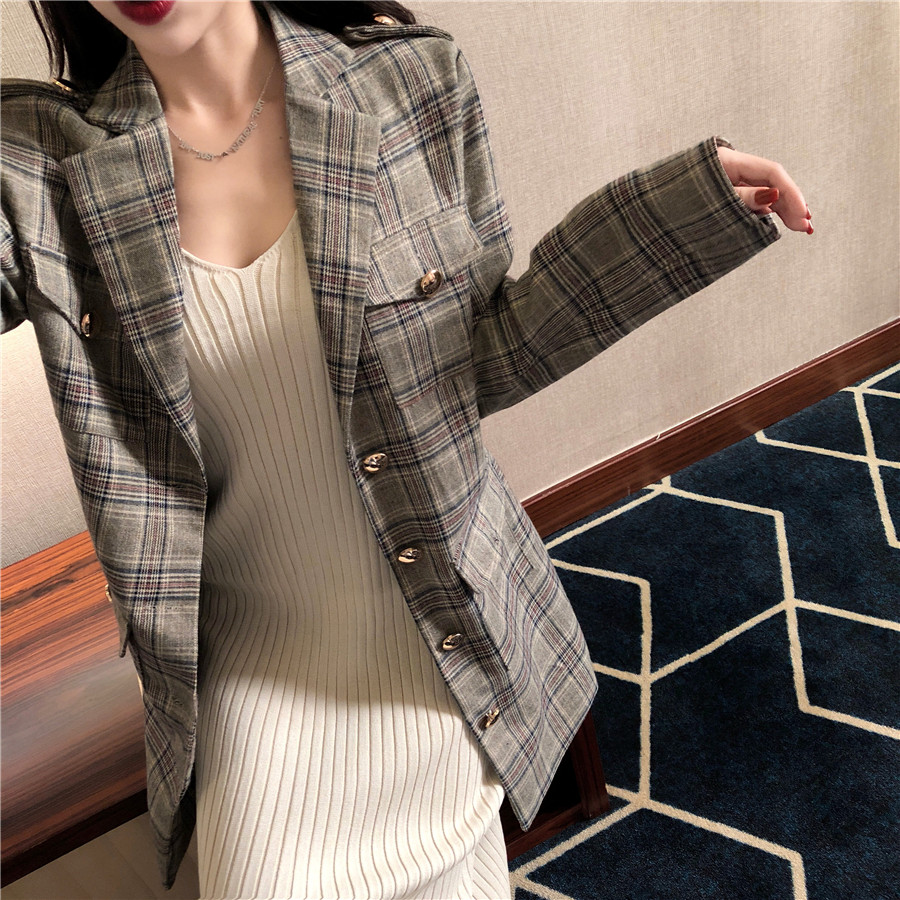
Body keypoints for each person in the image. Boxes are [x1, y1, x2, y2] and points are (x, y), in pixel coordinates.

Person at [1, 1, 812, 897]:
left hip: (440, 630)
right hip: (250, 672)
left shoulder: (411, 80)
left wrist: (675, 215)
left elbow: (485, 357)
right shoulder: (39, 163)